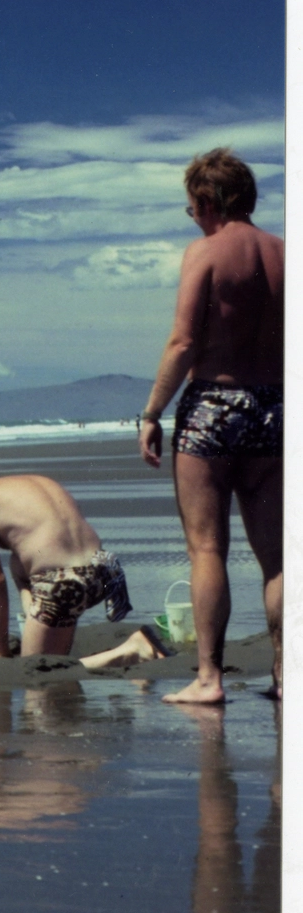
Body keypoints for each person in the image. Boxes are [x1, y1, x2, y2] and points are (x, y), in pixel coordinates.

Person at [138, 148, 283, 704]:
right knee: (276, 558)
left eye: (191, 207)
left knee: (207, 550)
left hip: (214, 408)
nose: (192, 216)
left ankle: (208, 678)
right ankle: (284, 675)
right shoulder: (285, 254)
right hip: (276, 406)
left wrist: (151, 413)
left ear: (207, 201)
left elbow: (183, 341)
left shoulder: (204, 252)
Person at [0, 460, 171, 670]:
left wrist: (1, 649)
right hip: (104, 570)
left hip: (64, 582)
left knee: (35, 670)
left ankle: (132, 650)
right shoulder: (35, 482)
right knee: (17, 563)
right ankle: (38, 619)